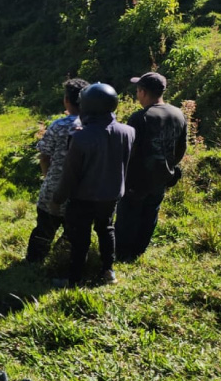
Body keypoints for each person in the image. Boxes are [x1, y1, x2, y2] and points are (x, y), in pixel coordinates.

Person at [51, 83, 134, 287]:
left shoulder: (80, 137)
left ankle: (74, 279)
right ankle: (108, 271)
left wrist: (58, 198)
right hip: (112, 194)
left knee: (80, 237)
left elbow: (70, 175)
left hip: (83, 196)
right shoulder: (128, 131)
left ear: (87, 106)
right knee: (106, 229)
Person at [117, 72, 187, 262]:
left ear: (143, 92)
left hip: (137, 178)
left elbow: (130, 150)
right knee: (150, 214)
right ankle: (138, 251)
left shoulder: (140, 118)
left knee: (128, 215)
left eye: (137, 91)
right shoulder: (178, 114)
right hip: (161, 177)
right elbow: (181, 148)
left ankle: (122, 254)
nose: (137, 95)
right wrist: (169, 166)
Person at [25, 78, 89, 263]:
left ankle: (34, 262)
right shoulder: (93, 126)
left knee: (44, 228)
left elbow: (44, 156)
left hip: (54, 186)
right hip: (82, 191)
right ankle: (62, 259)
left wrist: (48, 177)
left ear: (66, 100)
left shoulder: (58, 125)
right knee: (73, 230)